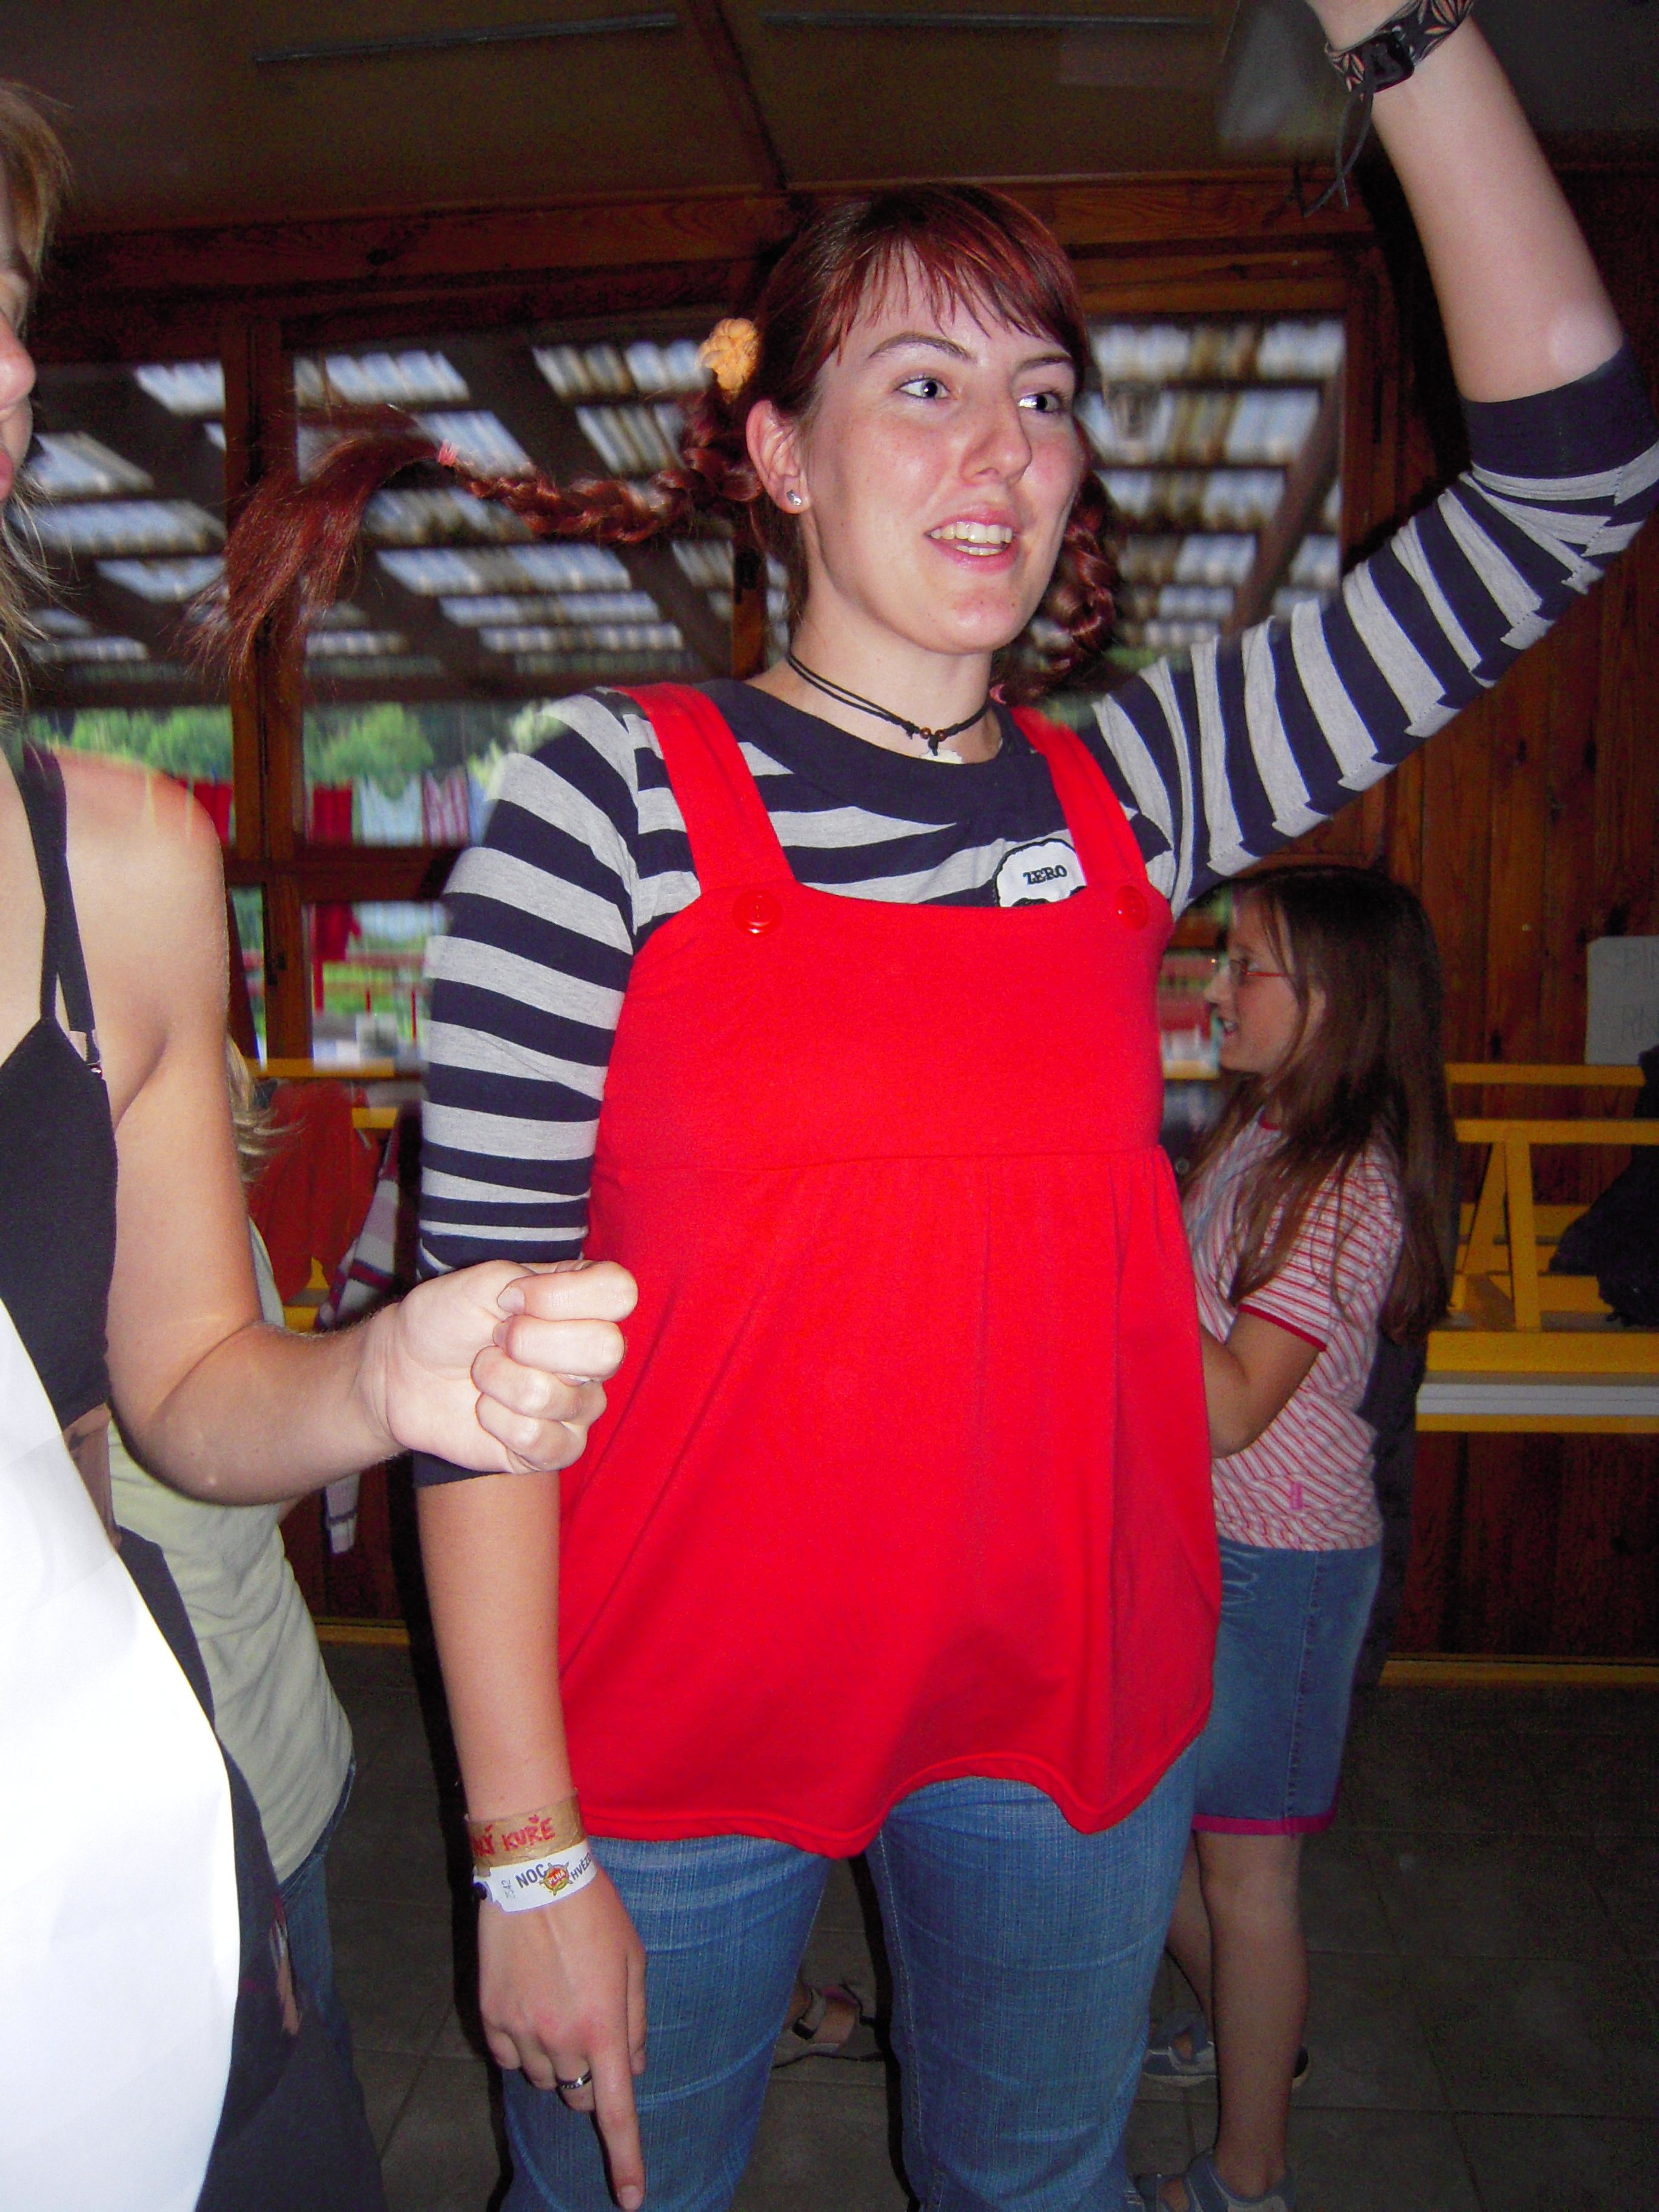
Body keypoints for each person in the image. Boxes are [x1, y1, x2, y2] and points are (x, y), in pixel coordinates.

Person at [219, 5, 1658, 2207]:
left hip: (1065, 1702)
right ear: (780, 454)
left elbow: (1573, 472)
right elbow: (476, 1378)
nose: (1001, 447)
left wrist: (1397, 20)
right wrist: (524, 1849)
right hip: (671, 1720)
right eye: (920, 384)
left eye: (1045, 394)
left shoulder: (1136, 793)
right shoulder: (603, 803)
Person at [0, 79, 635, 2208]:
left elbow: (183, 1386)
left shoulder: (120, 862)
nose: (9, 372)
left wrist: (381, 1372)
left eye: (7, 306)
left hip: (111, 1868)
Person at [1136, 865, 1456, 2212]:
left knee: (1246, 1876)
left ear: (1332, 998)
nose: (1214, 990)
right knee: (1161, 1838)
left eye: (1244, 966)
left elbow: (1230, 1408)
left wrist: (1119, 1234)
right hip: (1220, 1550)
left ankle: (1248, 2175)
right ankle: (1250, 2036)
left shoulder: (1340, 1185)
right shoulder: (1260, 1131)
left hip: (1289, 1571)